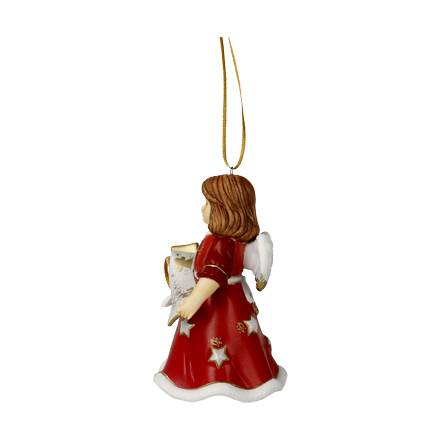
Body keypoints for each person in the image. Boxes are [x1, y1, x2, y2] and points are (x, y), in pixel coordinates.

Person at [154, 174, 287, 401]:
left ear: (224, 210)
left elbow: (213, 276)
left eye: (207, 203)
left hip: (216, 304)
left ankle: (211, 378)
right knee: (238, 342)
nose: (202, 208)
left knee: (215, 339)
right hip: (233, 301)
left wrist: (192, 301)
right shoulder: (226, 241)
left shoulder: (219, 243)